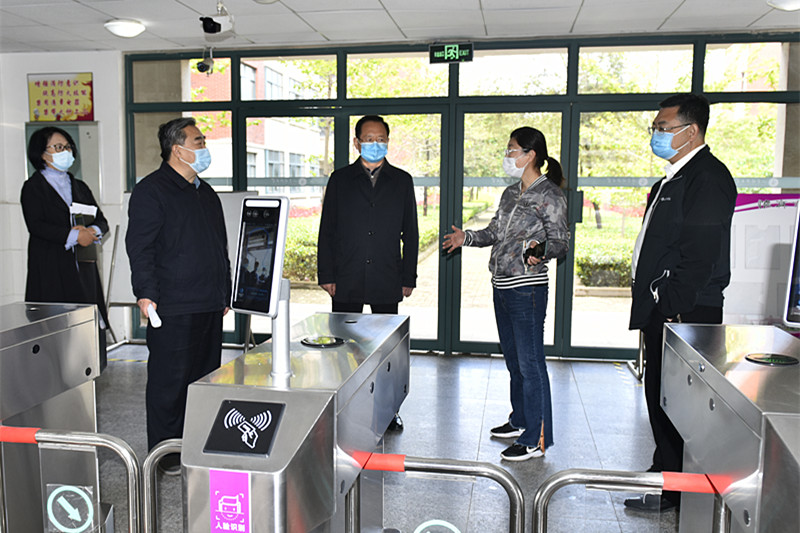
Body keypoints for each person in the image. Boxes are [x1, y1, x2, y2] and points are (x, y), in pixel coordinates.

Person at [625, 93, 736, 511]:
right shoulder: (670, 180)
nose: (656, 135)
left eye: (663, 128)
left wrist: (670, 304)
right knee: (660, 396)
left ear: (691, 131)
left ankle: (675, 493)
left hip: (684, 311)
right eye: (655, 127)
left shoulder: (708, 178)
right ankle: (665, 470)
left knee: (677, 405)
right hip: (664, 308)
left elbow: (700, 254)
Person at [443, 127, 569, 461]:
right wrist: (466, 238)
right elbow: (494, 232)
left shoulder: (550, 195)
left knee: (531, 364)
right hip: (501, 286)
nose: (507, 155)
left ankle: (535, 438)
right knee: (514, 361)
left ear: (530, 155)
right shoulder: (511, 193)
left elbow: (560, 242)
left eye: (512, 149)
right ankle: (520, 419)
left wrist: (541, 250)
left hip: (527, 289)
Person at [126, 117, 231, 474]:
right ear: (177, 150)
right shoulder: (152, 191)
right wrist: (145, 293)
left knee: (204, 382)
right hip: (172, 306)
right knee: (169, 385)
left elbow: (219, 247)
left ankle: (196, 446)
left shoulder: (206, 192)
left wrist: (224, 290)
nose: (204, 147)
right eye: (198, 142)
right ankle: (165, 455)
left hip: (208, 304)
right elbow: (140, 248)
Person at [317, 114, 419, 431]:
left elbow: (411, 233)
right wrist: (326, 275)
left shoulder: (402, 181)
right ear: (357, 142)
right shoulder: (340, 180)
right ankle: (343, 407)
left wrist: (408, 277)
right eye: (369, 139)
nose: (375, 144)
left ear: (388, 142)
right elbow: (327, 230)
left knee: (387, 351)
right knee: (344, 348)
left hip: (387, 276)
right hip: (346, 275)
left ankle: (388, 410)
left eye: (381, 139)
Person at [21, 126, 110, 365]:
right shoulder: (33, 187)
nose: (66, 152)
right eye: (59, 147)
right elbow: (36, 225)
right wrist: (73, 236)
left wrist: (92, 232)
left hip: (83, 266)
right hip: (50, 268)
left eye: (68, 147)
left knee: (87, 331)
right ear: (42, 153)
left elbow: (101, 220)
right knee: (56, 336)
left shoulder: (79, 186)